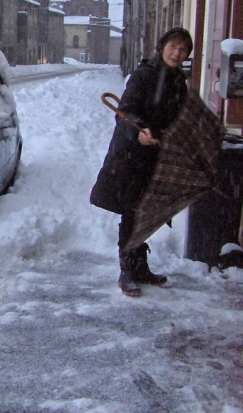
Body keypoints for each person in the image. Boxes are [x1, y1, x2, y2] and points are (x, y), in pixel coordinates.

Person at [90, 27, 192, 297]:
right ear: (162, 47)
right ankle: (127, 272)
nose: (177, 52)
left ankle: (140, 267)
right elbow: (125, 112)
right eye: (173, 46)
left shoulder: (178, 80)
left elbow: (177, 116)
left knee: (146, 212)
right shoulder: (145, 75)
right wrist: (139, 131)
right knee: (132, 211)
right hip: (132, 154)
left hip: (156, 155)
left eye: (182, 49)